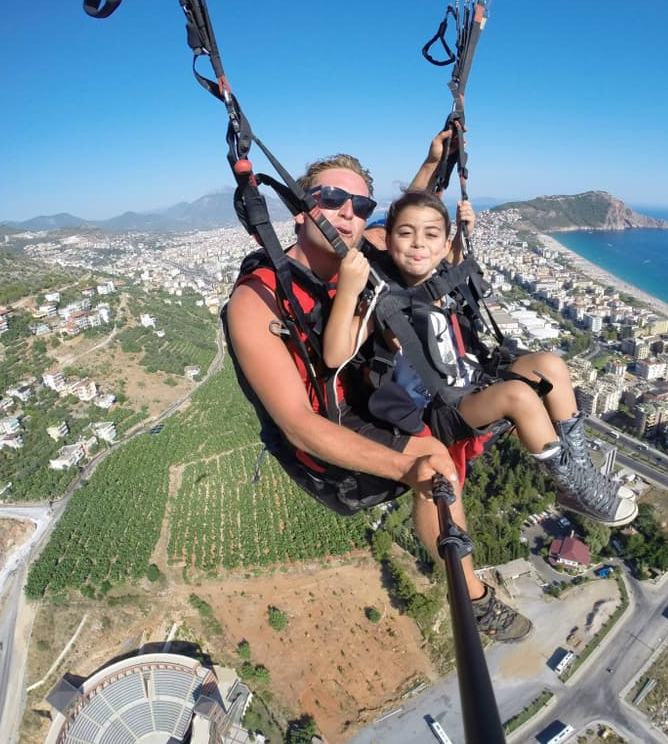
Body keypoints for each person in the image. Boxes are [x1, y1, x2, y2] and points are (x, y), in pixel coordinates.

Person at [224, 149, 533, 642]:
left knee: (492, 393)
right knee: (436, 465)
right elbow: (298, 424)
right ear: (301, 207)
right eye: (331, 199)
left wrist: (438, 160)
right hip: (329, 429)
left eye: (360, 205)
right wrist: (407, 470)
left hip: (375, 397)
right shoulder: (257, 299)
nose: (348, 213)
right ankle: (471, 595)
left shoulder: (363, 249)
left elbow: (410, 222)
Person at [323, 190, 638, 528]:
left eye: (430, 235)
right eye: (405, 233)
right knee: (519, 396)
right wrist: (348, 292)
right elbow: (334, 355)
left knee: (551, 365)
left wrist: (463, 234)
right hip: (437, 410)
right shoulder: (382, 298)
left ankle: (581, 476)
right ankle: (571, 484)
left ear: (444, 246)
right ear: (387, 240)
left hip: (470, 380)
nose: (418, 244)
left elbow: (454, 265)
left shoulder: (441, 277)